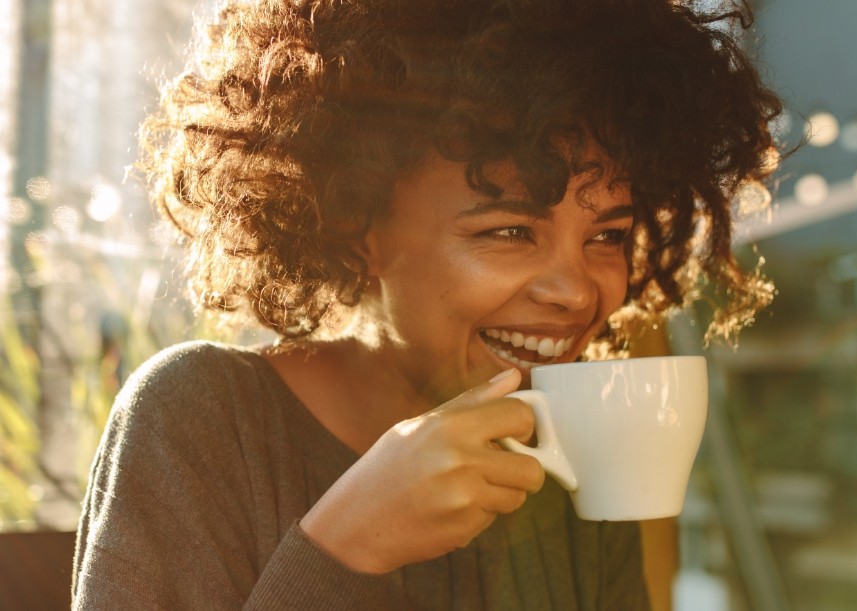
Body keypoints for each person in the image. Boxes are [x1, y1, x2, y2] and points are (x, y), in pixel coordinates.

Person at [72, 0, 781, 608]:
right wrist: (343, 546)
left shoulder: (570, 458)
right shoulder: (203, 418)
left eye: (608, 234)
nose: (575, 290)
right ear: (352, 219)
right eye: (509, 230)